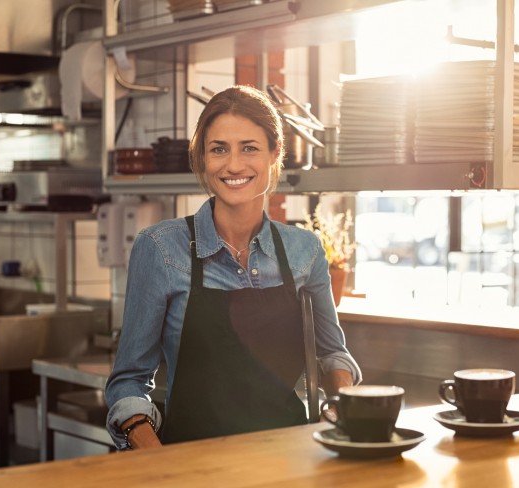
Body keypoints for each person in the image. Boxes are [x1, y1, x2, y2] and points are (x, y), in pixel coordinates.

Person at [104, 85, 362, 449]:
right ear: (202, 158)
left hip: (288, 461)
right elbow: (128, 380)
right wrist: (153, 455)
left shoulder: (304, 250)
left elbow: (334, 354)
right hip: (191, 464)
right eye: (219, 149)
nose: (234, 165)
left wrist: (338, 407)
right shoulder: (161, 249)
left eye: (249, 148)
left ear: (275, 153)